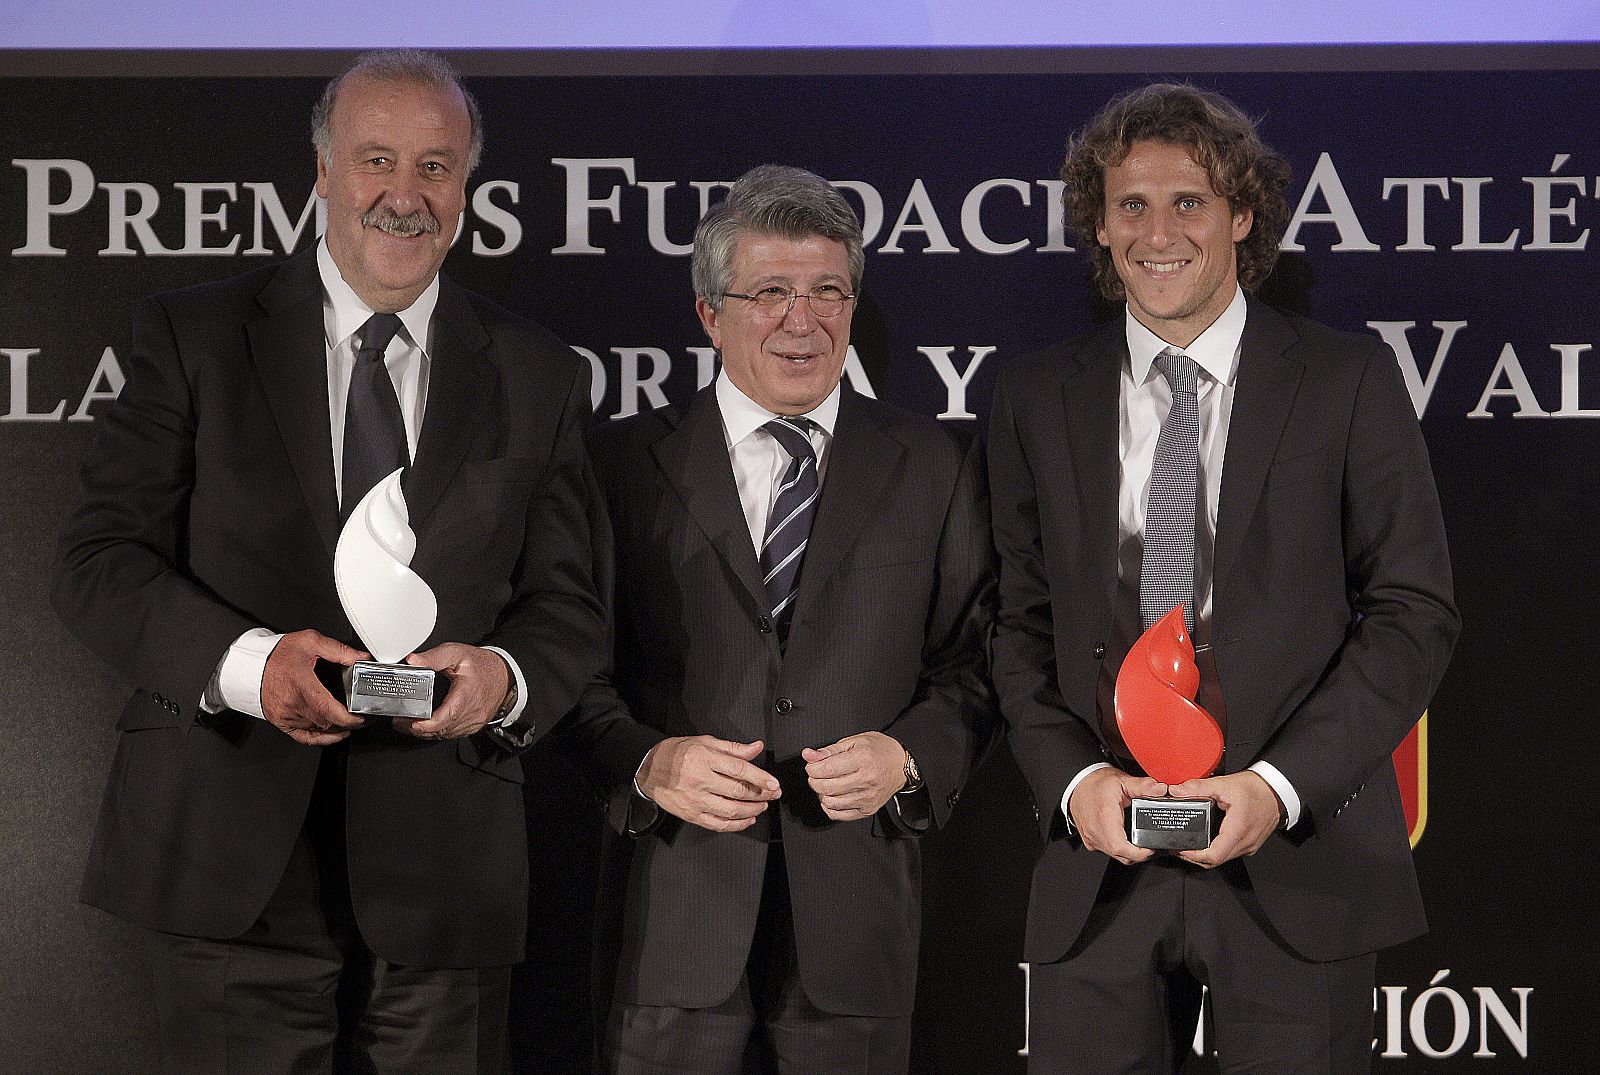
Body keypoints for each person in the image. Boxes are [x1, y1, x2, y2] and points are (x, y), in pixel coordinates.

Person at [52, 48, 603, 1074]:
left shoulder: (538, 373)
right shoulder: (195, 336)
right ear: (321, 172)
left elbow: (567, 605)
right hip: (226, 847)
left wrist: (503, 677)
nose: (405, 195)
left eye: (436, 167)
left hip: (447, 860)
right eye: (377, 161)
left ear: (467, 185)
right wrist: (249, 664)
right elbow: (97, 560)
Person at [988, 83, 1460, 1072]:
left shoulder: (1348, 382)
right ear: (1099, 227)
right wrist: (1075, 783)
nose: (1158, 232)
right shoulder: (1034, 398)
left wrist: (1275, 786)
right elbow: (1013, 622)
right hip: (1098, 876)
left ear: (1242, 216)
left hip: (1295, 862)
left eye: (1188, 202)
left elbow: (1412, 616)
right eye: (1130, 206)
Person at [563, 164, 995, 1075]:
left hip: (857, 910)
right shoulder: (618, 465)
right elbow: (568, 664)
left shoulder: (935, 464)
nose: (803, 321)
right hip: (673, 907)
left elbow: (977, 661)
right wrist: (648, 760)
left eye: (827, 292)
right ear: (710, 314)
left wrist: (907, 755)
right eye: (770, 294)